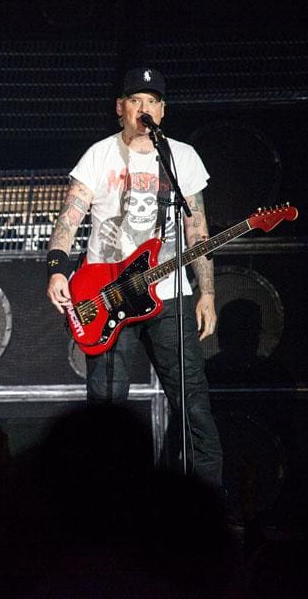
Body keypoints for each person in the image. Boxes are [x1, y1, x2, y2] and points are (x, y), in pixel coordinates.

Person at [45, 67, 223, 488]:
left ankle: (208, 504)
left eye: (152, 102)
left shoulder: (182, 158)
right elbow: (68, 219)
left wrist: (207, 292)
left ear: (162, 110)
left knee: (193, 404)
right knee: (106, 410)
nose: (144, 108)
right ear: (120, 107)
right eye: (136, 100)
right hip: (107, 292)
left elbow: (197, 230)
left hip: (170, 293)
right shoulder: (99, 155)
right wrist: (56, 269)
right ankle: (105, 506)